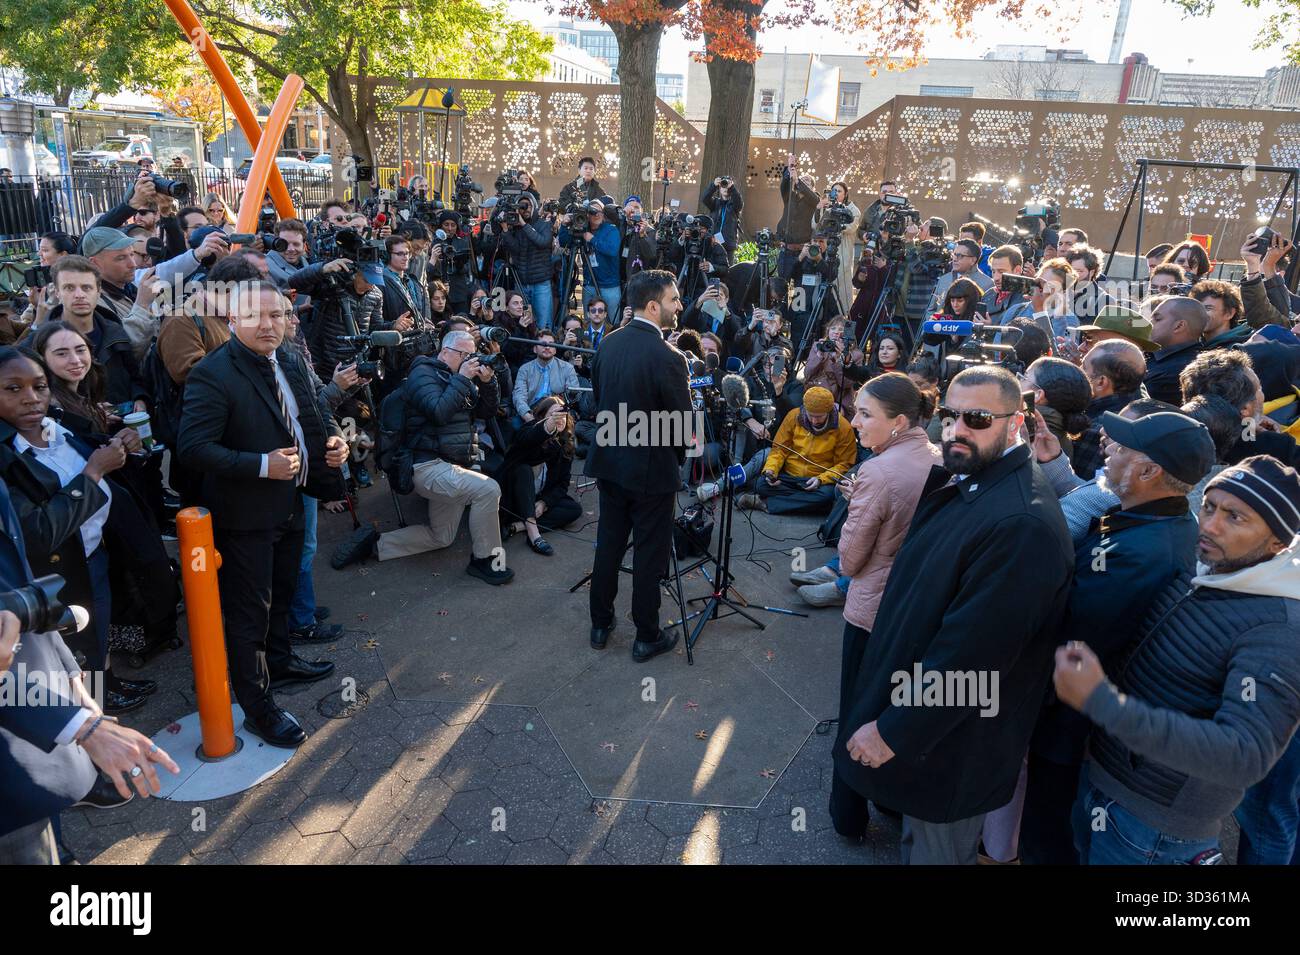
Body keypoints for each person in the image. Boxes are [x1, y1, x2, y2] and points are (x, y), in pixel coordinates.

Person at [834, 365, 1074, 865]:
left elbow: (973, 656)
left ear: (1016, 423)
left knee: (935, 852)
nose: (958, 430)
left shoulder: (1020, 523)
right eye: (950, 416)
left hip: (952, 745)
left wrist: (895, 730)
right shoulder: (974, 479)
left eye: (978, 418)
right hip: (934, 732)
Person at [1055, 455, 1300, 865]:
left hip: (1154, 831)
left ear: (1278, 541)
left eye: (1235, 517)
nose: (1210, 525)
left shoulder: (1278, 630)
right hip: (1104, 787)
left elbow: (1244, 755)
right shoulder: (1208, 567)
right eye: (1209, 506)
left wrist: (1102, 702)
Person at [1021, 410, 1213, 865]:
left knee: (1047, 837)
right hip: (1077, 717)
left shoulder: (1144, 549)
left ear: (1150, 472)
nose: (1107, 448)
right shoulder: (1140, 519)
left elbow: (1074, 640)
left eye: (1123, 448)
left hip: (1070, 724)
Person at [177, 282, 347, 748]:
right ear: (233, 320)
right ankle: (257, 706)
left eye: (279, 315)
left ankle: (283, 660)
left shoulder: (289, 357)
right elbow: (192, 448)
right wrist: (260, 465)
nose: (270, 324)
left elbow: (316, 409)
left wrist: (335, 441)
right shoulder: (214, 373)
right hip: (246, 514)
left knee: (283, 592)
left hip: (294, 501)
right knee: (250, 611)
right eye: (257, 316)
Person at [828, 373, 943, 839]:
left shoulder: (876, 472)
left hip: (872, 609)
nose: (854, 421)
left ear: (897, 421)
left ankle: (847, 816)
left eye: (864, 414)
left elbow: (851, 559)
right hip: (914, 609)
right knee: (893, 710)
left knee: (856, 711)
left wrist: (859, 505)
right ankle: (891, 801)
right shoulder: (935, 457)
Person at [585, 270, 692, 661]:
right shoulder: (668, 356)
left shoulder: (608, 344)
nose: (679, 305)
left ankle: (600, 623)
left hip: (610, 461)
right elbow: (682, 427)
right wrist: (675, 460)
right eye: (674, 299)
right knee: (649, 555)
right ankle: (647, 634)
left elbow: (601, 399)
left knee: (609, 546)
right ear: (652, 305)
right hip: (649, 472)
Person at [362, 330, 511, 584]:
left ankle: (376, 544)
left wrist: (488, 383)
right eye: (463, 354)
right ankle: (486, 561)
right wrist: (463, 378)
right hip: (424, 465)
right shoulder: (423, 373)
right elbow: (438, 412)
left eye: (471, 355)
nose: (468, 360)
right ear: (444, 352)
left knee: (442, 537)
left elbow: (486, 412)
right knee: (488, 490)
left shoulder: (458, 378)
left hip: (452, 464)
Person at [44, 256, 148, 411]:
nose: (79, 295)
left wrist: (140, 399)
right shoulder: (39, 342)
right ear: (57, 292)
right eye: (69, 288)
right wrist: (87, 414)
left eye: (86, 287)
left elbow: (135, 377)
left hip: (124, 427)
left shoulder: (115, 332)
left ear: (98, 291)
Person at [737, 386, 857, 515]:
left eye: (819, 417)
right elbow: (779, 449)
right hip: (789, 476)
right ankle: (809, 504)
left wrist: (821, 479)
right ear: (805, 409)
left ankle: (765, 503)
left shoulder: (843, 427)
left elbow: (844, 464)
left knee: (826, 495)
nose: (814, 421)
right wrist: (771, 470)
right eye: (811, 416)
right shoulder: (793, 416)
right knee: (761, 484)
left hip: (817, 480)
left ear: (829, 411)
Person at [495, 395, 583, 556]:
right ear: (541, 418)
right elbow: (529, 440)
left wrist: (544, 503)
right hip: (513, 499)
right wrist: (548, 429)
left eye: (563, 415)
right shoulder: (527, 431)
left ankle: (518, 527)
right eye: (553, 415)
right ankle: (534, 534)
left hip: (536, 500)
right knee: (523, 470)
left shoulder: (565, 443)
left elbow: (562, 485)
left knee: (573, 509)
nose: (559, 419)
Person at [1070, 338, 1147, 480]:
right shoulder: (1137, 407)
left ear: (1101, 382)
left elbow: (1073, 486)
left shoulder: (1096, 431)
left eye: (1083, 367)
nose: (1078, 370)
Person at [497, 193, 554, 331]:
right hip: (521, 282)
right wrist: (505, 230)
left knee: (542, 323)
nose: (525, 209)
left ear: (534, 206)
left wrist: (523, 224)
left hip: (541, 283)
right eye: (521, 207)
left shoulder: (544, 224)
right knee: (522, 321)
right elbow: (515, 249)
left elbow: (542, 242)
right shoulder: (516, 228)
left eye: (527, 205)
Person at [1021, 356, 1092, 468]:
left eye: (1024, 377)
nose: (1017, 381)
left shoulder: (1026, 432)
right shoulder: (1060, 435)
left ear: (1037, 395)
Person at [559, 200, 623, 319]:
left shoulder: (611, 229)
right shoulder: (581, 227)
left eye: (601, 211)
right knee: (590, 321)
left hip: (610, 286)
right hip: (590, 284)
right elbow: (564, 242)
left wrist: (592, 239)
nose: (598, 214)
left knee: (613, 321)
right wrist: (563, 225)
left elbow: (612, 250)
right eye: (593, 211)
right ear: (587, 214)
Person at [1143, 295, 1207, 406]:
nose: (1149, 322)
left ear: (1179, 326)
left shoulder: (1181, 371)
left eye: (1157, 319)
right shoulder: (1151, 353)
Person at [512, 330, 581, 426]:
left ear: (555, 349)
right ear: (535, 349)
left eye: (551, 344)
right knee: (515, 424)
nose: (547, 347)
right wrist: (528, 417)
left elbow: (574, 395)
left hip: (558, 411)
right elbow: (519, 396)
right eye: (543, 344)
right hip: (533, 411)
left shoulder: (567, 368)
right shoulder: (525, 369)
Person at [928, 239, 993, 317]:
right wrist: (934, 323)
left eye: (960, 256)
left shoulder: (987, 284)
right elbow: (931, 309)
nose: (955, 259)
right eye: (954, 254)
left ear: (973, 260)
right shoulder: (944, 279)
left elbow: (988, 315)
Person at [702, 175, 744, 262]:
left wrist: (732, 187)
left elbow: (738, 201)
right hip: (714, 243)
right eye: (723, 186)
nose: (725, 188)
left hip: (728, 245)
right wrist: (713, 185)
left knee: (727, 271)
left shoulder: (735, 206)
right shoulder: (715, 203)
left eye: (727, 186)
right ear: (720, 189)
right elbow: (705, 199)